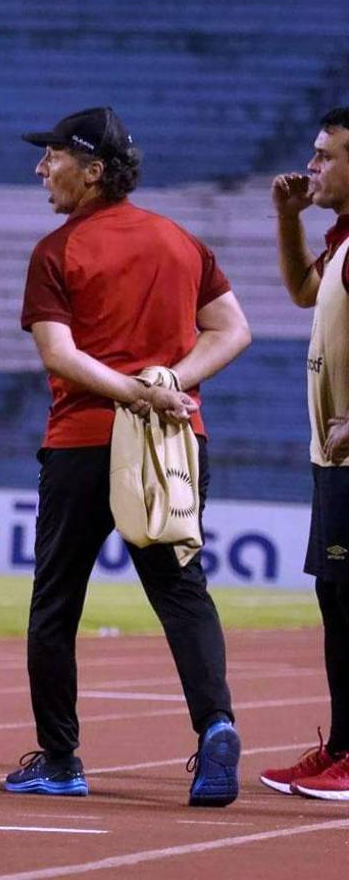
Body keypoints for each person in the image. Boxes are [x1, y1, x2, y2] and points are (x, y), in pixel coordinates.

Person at [6, 107, 252, 806]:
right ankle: (216, 727)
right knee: (183, 592)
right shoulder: (181, 241)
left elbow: (59, 354)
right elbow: (234, 329)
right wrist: (170, 384)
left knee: (55, 605)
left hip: (85, 443)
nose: (40, 168)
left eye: (52, 156)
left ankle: (60, 760)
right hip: (174, 442)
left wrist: (136, 394)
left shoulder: (57, 252)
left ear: (93, 172)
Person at [259, 107, 349, 801]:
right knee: (337, 600)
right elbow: (300, 293)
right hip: (332, 460)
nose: (312, 166)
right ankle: (343, 748)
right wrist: (289, 218)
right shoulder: (344, 240)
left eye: (325, 156)